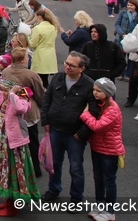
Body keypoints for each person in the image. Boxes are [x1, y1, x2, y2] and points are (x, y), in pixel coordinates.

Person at [40, 51, 98, 205]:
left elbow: (94, 111)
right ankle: (53, 190)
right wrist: (45, 121)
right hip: (55, 130)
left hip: (75, 135)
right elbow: (47, 100)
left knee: (76, 168)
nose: (67, 67)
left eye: (72, 65)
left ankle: (76, 198)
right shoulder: (58, 78)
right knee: (54, 164)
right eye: (66, 63)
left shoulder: (89, 85)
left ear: (82, 68)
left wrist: (83, 133)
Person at [0, 79, 40, 216]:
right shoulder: (2, 96)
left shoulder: (21, 99)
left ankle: (13, 205)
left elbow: (21, 109)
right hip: (2, 140)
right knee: (4, 169)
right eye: (3, 90)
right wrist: (0, 85)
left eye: (6, 90)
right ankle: (8, 199)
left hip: (14, 144)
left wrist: (12, 94)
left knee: (13, 170)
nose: (3, 93)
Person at [79, 78, 124, 221]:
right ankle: (100, 205)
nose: (95, 93)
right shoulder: (100, 105)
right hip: (97, 147)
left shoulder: (112, 109)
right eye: (94, 90)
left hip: (110, 150)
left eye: (99, 91)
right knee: (98, 178)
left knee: (108, 179)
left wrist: (85, 114)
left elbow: (98, 126)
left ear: (107, 93)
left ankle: (110, 210)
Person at [2, 48, 46, 179]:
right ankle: (35, 169)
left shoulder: (6, 71)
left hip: (11, 110)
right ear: (22, 60)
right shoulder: (31, 75)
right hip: (28, 112)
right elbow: (39, 93)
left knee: (14, 142)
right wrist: (40, 104)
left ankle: (17, 167)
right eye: (27, 57)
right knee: (32, 141)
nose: (28, 59)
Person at [29, 9, 59, 88]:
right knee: (45, 79)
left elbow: (32, 44)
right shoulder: (53, 27)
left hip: (40, 56)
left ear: (39, 17)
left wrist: (27, 38)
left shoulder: (37, 28)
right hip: (50, 55)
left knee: (39, 80)